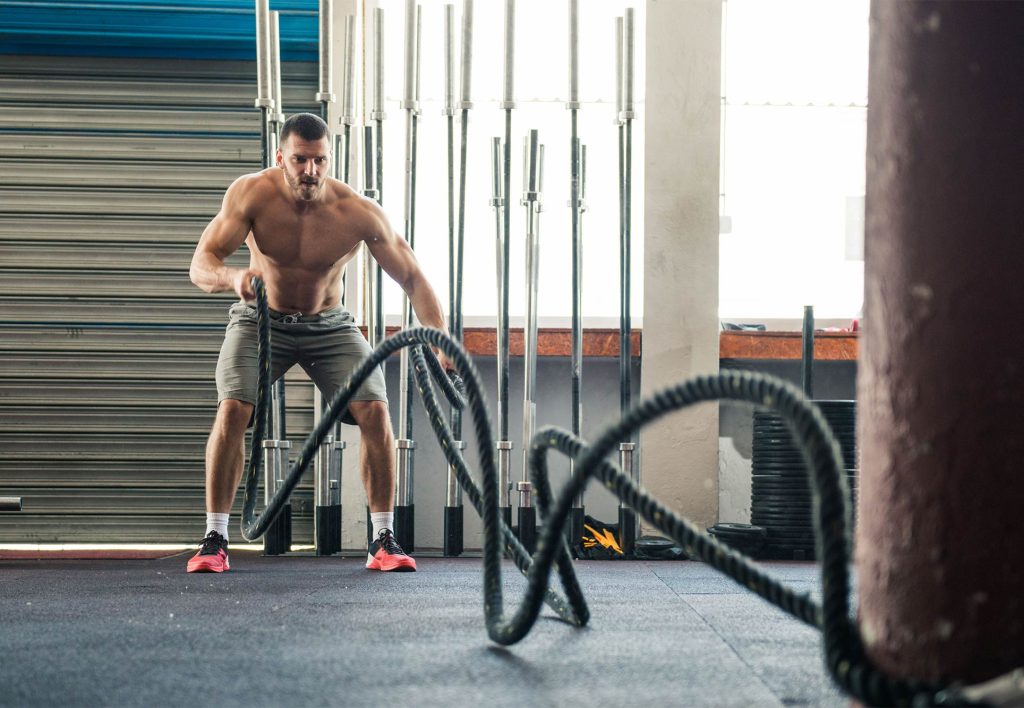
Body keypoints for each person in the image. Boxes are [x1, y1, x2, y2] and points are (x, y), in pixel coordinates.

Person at [186, 113, 452, 573]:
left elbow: (412, 277)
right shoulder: (251, 194)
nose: (310, 170)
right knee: (233, 408)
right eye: (300, 160)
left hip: (330, 325)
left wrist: (440, 340)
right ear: (280, 157)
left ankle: (383, 539)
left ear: (330, 159)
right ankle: (215, 539)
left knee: (375, 410)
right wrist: (232, 277)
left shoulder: (356, 211)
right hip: (260, 320)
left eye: (319, 161)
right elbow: (200, 264)